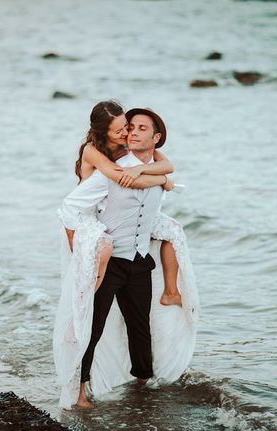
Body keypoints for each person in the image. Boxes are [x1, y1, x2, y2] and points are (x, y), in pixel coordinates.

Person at [55, 105, 200, 409]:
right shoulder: (112, 170)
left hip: (138, 261)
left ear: (156, 138)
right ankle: (79, 392)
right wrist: (79, 245)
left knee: (139, 325)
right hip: (108, 264)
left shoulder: (156, 168)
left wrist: (157, 177)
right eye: (129, 128)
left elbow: (156, 195)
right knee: (92, 328)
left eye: (141, 128)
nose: (133, 132)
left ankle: (143, 383)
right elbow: (70, 205)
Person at [71, 100, 182, 307]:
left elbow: (167, 165)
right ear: (104, 132)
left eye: (127, 127)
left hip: (111, 213)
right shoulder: (92, 151)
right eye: (121, 130)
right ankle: (83, 304)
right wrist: (162, 180)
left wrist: (142, 169)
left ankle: (171, 291)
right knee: (102, 256)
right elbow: (131, 181)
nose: (127, 134)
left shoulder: (124, 147)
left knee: (173, 231)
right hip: (87, 217)